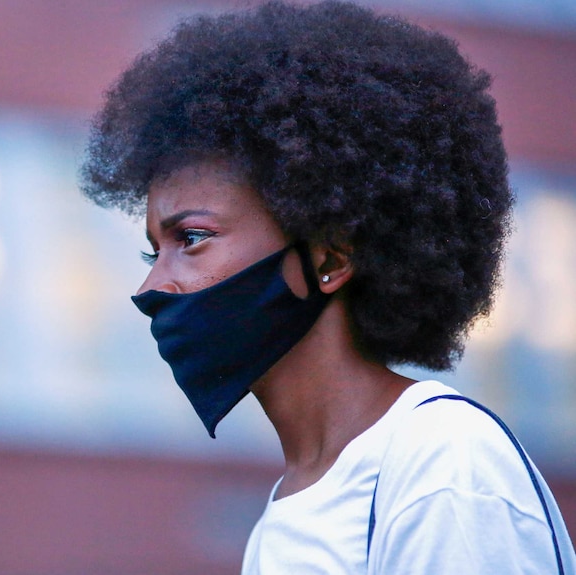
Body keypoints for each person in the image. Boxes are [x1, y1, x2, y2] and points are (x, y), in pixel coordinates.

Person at [80, 1, 576, 573]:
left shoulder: (444, 464)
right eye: (152, 249)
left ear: (330, 257)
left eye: (191, 237)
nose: (152, 285)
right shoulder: (282, 517)